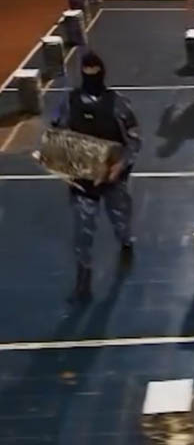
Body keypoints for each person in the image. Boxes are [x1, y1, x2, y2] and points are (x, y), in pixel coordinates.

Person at [52, 51, 141, 302]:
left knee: (120, 217)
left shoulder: (119, 103)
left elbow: (134, 141)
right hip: (82, 179)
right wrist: (61, 167)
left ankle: (125, 241)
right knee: (83, 231)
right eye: (87, 72)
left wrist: (119, 166)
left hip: (113, 177)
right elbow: (57, 136)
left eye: (95, 71)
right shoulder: (69, 102)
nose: (91, 77)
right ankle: (84, 274)